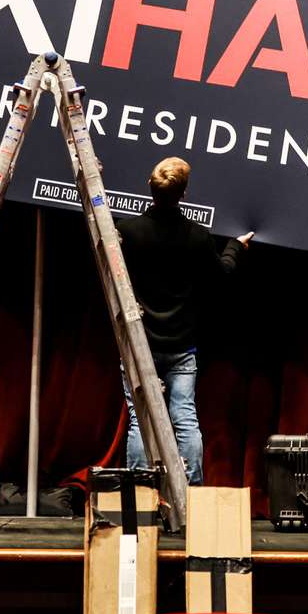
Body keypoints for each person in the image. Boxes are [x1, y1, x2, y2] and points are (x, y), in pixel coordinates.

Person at [113, 157, 253, 485]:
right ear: (184, 193)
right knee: (185, 421)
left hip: (140, 344)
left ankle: (141, 497)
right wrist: (235, 247)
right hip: (180, 346)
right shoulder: (197, 237)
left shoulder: (126, 232)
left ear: (150, 187)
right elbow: (223, 273)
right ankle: (190, 498)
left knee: (139, 421)